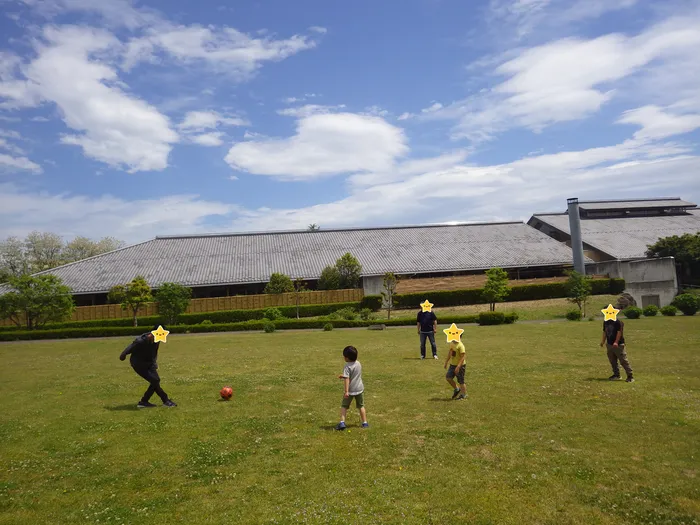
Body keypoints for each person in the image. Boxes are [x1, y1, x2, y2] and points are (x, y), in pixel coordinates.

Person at [119, 325, 177, 407]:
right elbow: (129, 348)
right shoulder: (140, 341)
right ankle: (164, 400)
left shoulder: (157, 340)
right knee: (155, 381)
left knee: (155, 381)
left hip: (149, 363)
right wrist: (123, 355)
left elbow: (154, 352)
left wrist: (154, 364)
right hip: (138, 364)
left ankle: (144, 402)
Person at [335, 345, 368, 430]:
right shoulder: (358, 363)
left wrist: (346, 391)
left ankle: (342, 423)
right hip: (359, 389)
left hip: (350, 391)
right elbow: (354, 375)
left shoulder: (347, 366)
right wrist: (344, 376)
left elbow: (347, 379)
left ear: (347, 358)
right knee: (361, 406)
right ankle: (365, 423)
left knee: (344, 406)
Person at [600, 317, 634, 382]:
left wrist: (616, 342)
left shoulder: (618, 322)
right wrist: (603, 341)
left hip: (618, 345)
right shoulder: (605, 321)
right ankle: (616, 375)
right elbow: (604, 332)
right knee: (612, 361)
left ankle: (630, 376)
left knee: (623, 361)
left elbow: (619, 332)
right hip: (609, 344)